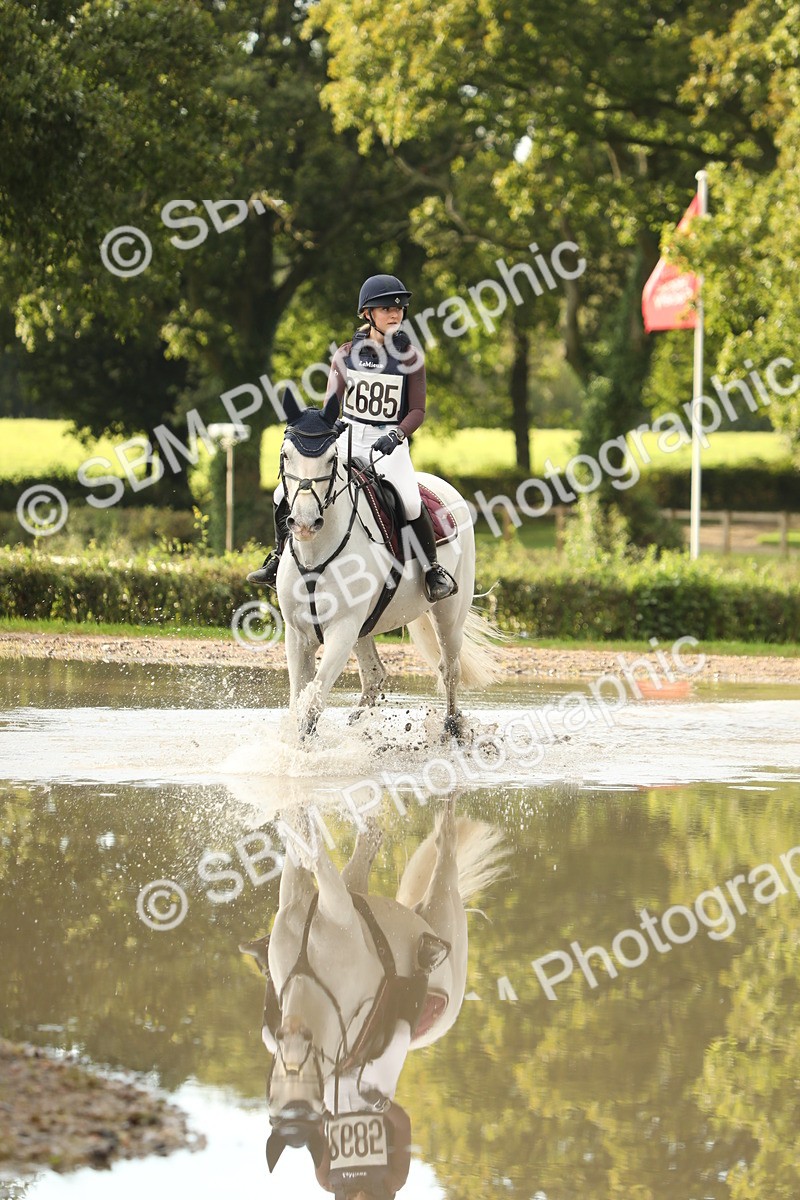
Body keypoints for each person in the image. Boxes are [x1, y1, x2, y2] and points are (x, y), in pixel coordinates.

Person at [247, 273, 457, 603]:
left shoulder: (412, 358)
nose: (396, 313)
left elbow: (417, 411)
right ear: (367, 314)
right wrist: (327, 429)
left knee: (411, 500)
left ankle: (432, 570)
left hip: (389, 442)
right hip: (346, 437)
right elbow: (333, 404)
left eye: (400, 308)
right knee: (280, 494)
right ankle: (277, 559)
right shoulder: (345, 356)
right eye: (387, 307)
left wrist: (397, 433)